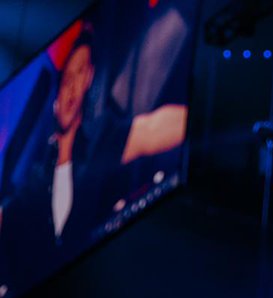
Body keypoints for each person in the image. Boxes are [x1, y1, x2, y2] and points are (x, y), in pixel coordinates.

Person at [0, 25, 187, 283]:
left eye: (80, 74)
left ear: (89, 78)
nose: (72, 87)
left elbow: (153, 128)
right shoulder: (33, 178)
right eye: (67, 78)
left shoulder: (102, 137)